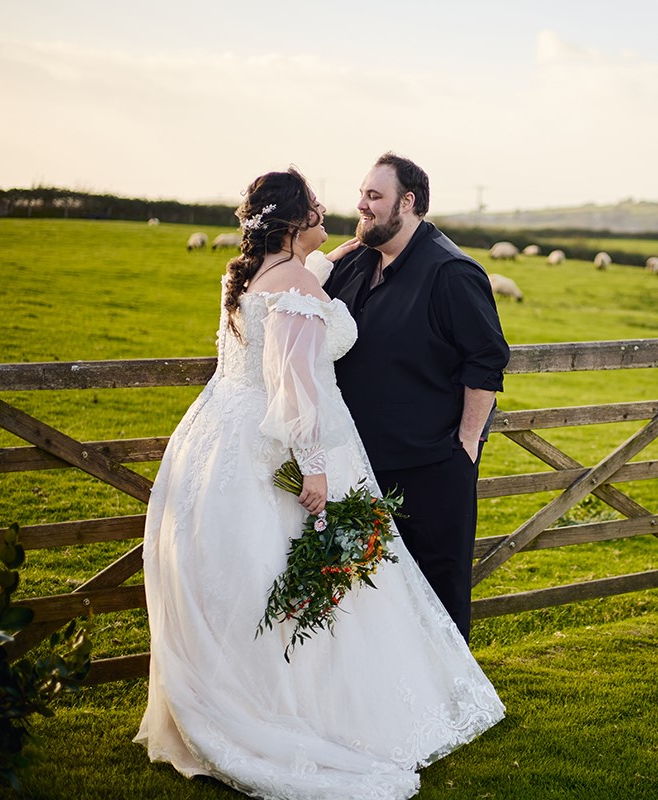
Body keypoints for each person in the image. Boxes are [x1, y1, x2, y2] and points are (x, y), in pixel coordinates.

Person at [136, 168, 504, 800]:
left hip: (224, 435)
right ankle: (312, 713)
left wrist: (468, 441)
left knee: (258, 578)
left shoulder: (246, 275)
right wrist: (313, 465)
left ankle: (249, 698)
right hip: (291, 441)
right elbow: (295, 384)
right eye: (316, 204)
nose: (335, 208)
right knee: (313, 580)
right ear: (294, 220)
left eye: (370, 196)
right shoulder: (298, 283)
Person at [317, 153, 509, 642]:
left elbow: (486, 360)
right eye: (361, 194)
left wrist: (466, 444)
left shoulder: (452, 272)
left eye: (374, 196)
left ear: (408, 202)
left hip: (431, 467)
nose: (361, 205)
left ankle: (451, 689)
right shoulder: (355, 262)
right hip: (358, 468)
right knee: (366, 597)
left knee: (435, 595)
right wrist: (327, 258)